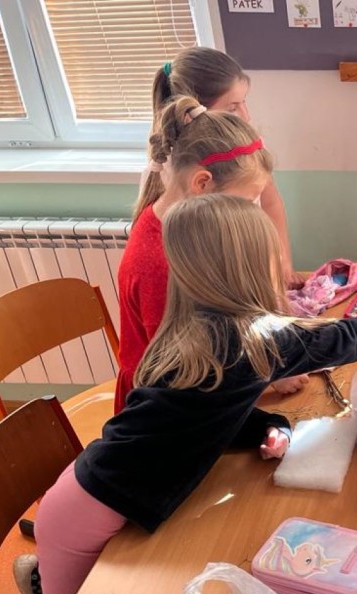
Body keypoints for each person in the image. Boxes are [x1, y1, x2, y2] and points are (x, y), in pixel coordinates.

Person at [35, 194, 357, 594]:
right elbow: (344, 339)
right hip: (85, 514)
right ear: (246, 270)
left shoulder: (202, 330)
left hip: (90, 494)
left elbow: (202, 415)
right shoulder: (247, 340)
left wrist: (266, 426)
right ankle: (37, 582)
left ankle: (41, 574)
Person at [119, 95, 293, 414]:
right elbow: (183, 374)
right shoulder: (161, 264)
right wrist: (267, 375)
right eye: (244, 203)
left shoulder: (190, 229)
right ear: (202, 184)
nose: (249, 215)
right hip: (164, 410)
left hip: (203, 385)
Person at [149, 47, 296, 284]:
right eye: (232, 107)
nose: (246, 116)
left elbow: (271, 201)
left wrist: (282, 261)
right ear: (194, 111)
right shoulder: (168, 169)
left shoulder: (246, 147)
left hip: (250, 273)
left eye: (244, 102)